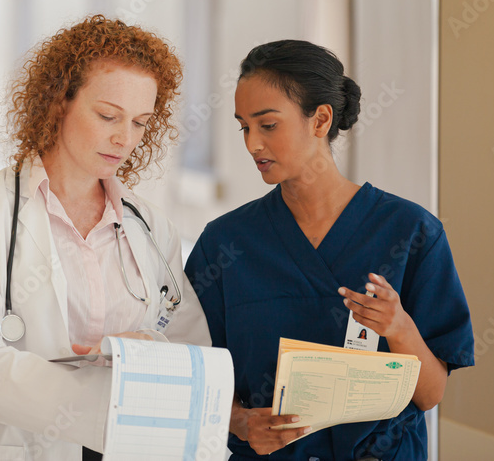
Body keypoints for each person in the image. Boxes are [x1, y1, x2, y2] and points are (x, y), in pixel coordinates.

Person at [0, 15, 211, 461]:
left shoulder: (150, 227)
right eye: (107, 116)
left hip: (135, 448)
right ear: (58, 101)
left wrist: (149, 350)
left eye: (140, 122)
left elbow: (193, 351)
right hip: (26, 447)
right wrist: (106, 409)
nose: (125, 138)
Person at [185, 40, 474, 460]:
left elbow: (430, 395)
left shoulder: (411, 232)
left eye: (267, 125)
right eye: (244, 126)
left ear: (320, 120)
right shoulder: (225, 244)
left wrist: (399, 328)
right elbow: (197, 375)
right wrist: (241, 422)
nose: (252, 145)